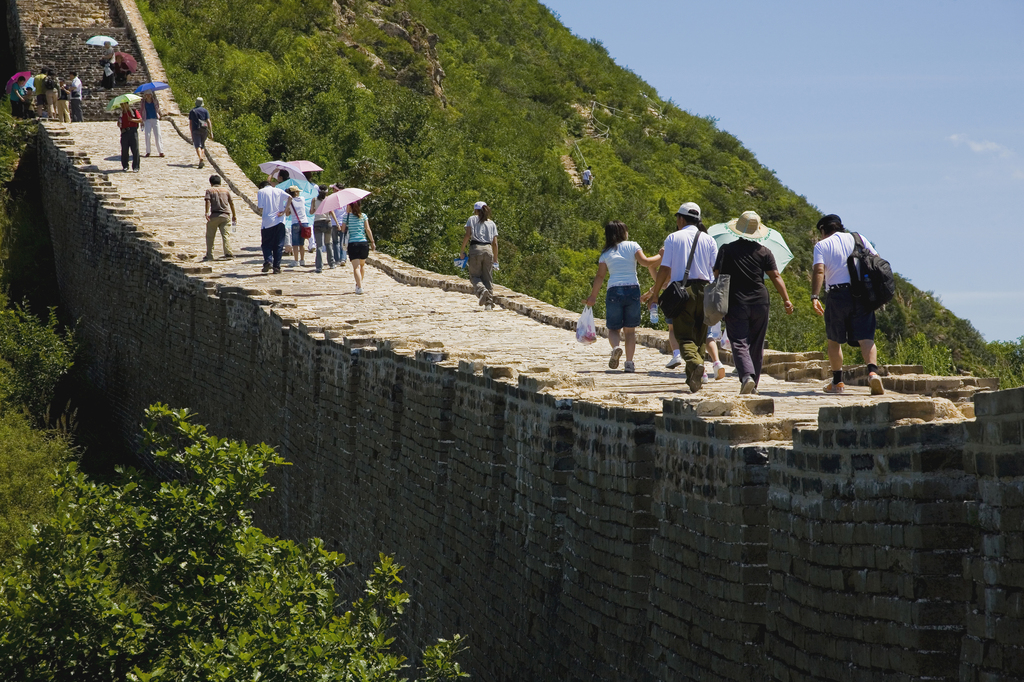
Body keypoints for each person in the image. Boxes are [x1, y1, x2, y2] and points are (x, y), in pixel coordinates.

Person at [714, 211, 794, 394]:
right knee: (757, 344)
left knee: (739, 341)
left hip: (736, 302)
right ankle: (754, 385)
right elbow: (776, 276)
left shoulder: (726, 249)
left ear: (737, 229)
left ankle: (746, 377)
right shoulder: (765, 252)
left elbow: (717, 275)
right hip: (760, 302)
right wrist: (786, 299)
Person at [811, 213, 885, 395]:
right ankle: (873, 373)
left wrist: (815, 296)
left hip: (837, 295)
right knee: (866, 337)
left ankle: (837, 382)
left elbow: (819, 270)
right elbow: (877, 260)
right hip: (862, 294)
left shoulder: (822, 245)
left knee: (834, 339)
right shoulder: (858, 238)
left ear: (823, 230)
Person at [648, 202, 719, 393]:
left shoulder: (673, 238)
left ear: (681, 218)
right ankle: (693, 380)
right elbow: (716, 270)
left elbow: (664, 268)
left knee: (684, 337)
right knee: (701, 336)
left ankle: (696, 364)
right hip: (706, 290)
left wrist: (655, 295)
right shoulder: (709, 240)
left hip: (682, 291)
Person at [584, 220, 662, 373]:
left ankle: (616, 348)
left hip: (614, 290)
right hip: (632, 289)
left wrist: (593, 297)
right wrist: (661, 256)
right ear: (623, 232)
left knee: (613, 328)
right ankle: (629, 363)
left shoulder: (605, 253)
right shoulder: (633, 245)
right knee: (630, 331)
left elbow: (600, 276)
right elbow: (646, 262)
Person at [459, 201, 499, 309]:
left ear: (476, 210)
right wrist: (495, 259)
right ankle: (489, 304)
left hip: (476, 249)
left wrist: (462, 250)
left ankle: (482, 290)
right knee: (488, 278)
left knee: (474, 276)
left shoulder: (472, 219)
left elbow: (468, 235)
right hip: (488, 250)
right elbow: (494, 243)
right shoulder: (492, 223)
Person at [256, 180, 289, 274]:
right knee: (278, 245)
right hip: (280, 221)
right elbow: (290, 197)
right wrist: (285, 211)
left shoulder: (261, 192)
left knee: (266, 244)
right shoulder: (278, 190)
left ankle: (268, 260)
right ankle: (277, 267)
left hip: (267, 222)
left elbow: (260, 207)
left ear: (261, 186)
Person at [342, 199, 375, 294]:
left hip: (353, 244)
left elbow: (342, 230)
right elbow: (368, 229)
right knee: (362, 265)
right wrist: (372, 241)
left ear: (350, 206)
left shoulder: (346, 217)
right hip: (363, 243)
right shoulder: (363, 216)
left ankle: (359, 287)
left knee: (356, 267)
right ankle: (359, 284)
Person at [203, 175, 236, 260]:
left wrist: (206, 212)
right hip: (225, 215)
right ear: (220, 182)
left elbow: (208, 201)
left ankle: (209, 254)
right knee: (226, 235)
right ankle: (228, 253)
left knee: (210, 236)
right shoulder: (226, 190)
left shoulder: (209, 191)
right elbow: (231, 203)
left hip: (214, 215)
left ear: (211, 183)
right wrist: (234, 215)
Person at [284, 185, 310, 266]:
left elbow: (287, 214)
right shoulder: (302, 199)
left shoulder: (289, 202)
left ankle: (296, 261)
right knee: (302, 244)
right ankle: (302, 260)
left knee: (295, 244)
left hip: (295, 222)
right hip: (304, 222)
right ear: (295, 192)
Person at [310, 185, 334, 273]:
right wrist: (337, 224)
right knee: (328, 244)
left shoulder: (314, 200)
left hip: (317, 223)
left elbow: (311, 212)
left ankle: (319, 267)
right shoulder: (328, 200)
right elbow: (331, 212)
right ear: (327, 191)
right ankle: (331, 263)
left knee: (319, 246)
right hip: (327, 222)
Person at [117, 100, 141, 172]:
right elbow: (120, 123)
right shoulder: (121, 114)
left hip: (133, 131)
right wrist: (119, 124)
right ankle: (125, 166)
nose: (123, 106)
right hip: (124, 132)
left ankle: (136, 166)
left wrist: (132, 120)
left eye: (124, 104)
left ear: (127, 104)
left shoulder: (133, 111)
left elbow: (140, 120)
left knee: (135, 149)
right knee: (124, 150)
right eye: (122, 105)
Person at [188, 97, 211, 168]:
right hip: (204, 129)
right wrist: (211, 131)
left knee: (197, 145)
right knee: (203, 145)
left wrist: (191, 131)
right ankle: (201, 159)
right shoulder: (205, 111)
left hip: (196, 129)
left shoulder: (192, 111)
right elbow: (208, 121)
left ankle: (201, 158)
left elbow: (191, 123)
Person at [140, 91, 164, 157]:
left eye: (149, 94)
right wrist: (141, 120)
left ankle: (161, 151)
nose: (148, 96)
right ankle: (148, 151)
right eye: (147, 94)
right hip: (147, 119)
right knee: (147, 135)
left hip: (155, 118)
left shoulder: (155, 101)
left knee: (158, 135)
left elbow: (158, 109)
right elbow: (141, 110)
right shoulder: (143, 102)